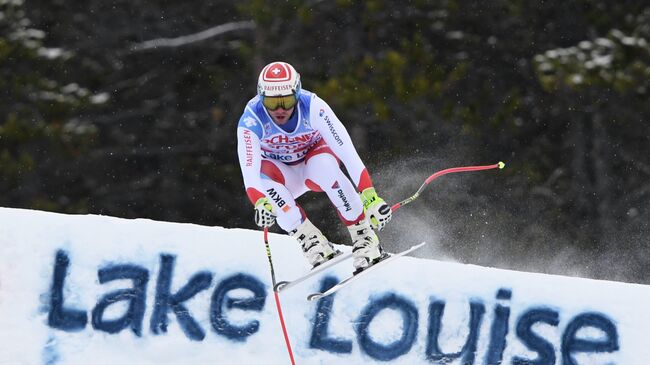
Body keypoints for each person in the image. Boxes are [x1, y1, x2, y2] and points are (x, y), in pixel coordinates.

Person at [236, 61, 392, 273]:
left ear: (297, 93)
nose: (280, 110)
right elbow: (250, 172)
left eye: (287, 100)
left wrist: (370, 196)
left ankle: (364, 236)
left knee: (325, 166)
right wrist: (260, 202)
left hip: (314, 164)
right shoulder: (251, 120)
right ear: (261, 97)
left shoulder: (313, 107)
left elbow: (348, 153)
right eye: (272, 103)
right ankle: (312, 241)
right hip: (283, 174)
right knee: (265, 187)